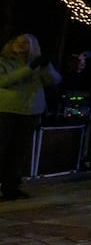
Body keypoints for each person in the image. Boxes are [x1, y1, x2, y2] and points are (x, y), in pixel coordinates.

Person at [0, 34, 61, 200]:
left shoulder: (38, 63)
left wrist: (47, 67)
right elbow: (4, 81)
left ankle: (11, 187)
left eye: (26, 43)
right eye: (18, 42)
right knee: (2, 148)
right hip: (7, 110)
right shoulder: (4, 61)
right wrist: (28, 69)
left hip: (31, 111)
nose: (21, 45)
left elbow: (54, 80)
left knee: (19, 152)